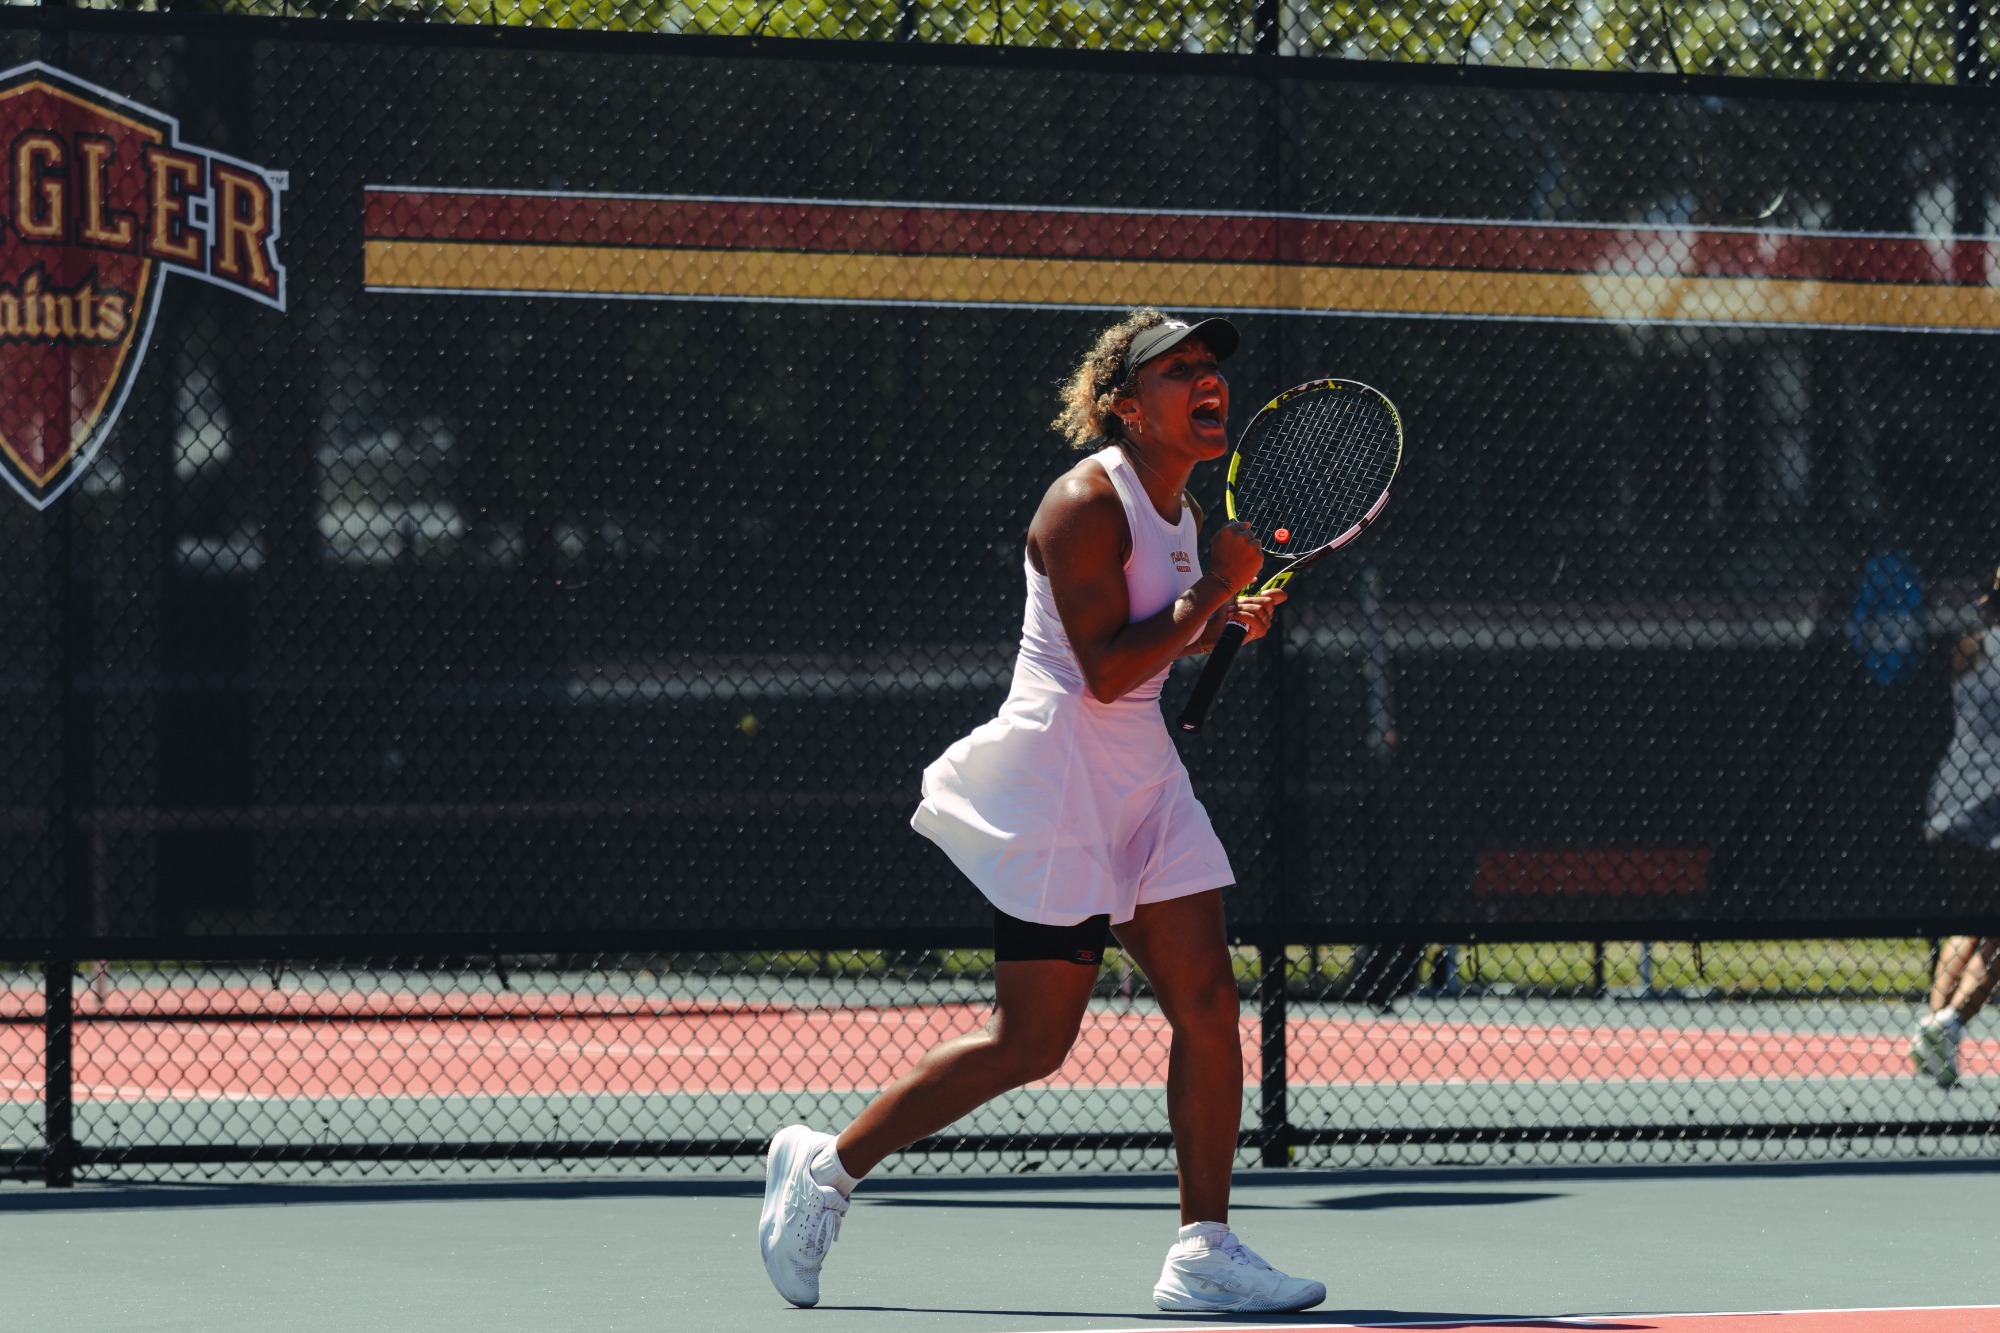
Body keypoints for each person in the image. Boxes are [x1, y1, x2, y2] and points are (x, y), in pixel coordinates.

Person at [757, 309, 1324, 1314]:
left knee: (1206, 1003)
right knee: (1030, 1043)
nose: (1206, 381)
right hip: (1059, 780)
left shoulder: (1186, 513)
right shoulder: (1081, 503)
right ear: (1125, 405)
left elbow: (1158, 641)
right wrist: (1208, 601)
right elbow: (1104, 669)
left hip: (1142, 780)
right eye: (1178, 369)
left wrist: (1221, 616)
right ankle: (823, 1173)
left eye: (1210, 368)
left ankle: (1201, 1248)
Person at [1913, 563, 2000, 1087]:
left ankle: (1932, 1030)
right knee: (1995, 938)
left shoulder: (1968, 648)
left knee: (1972, 925)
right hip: (1989, 816)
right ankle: (1948, 1023)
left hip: (1947, 806)